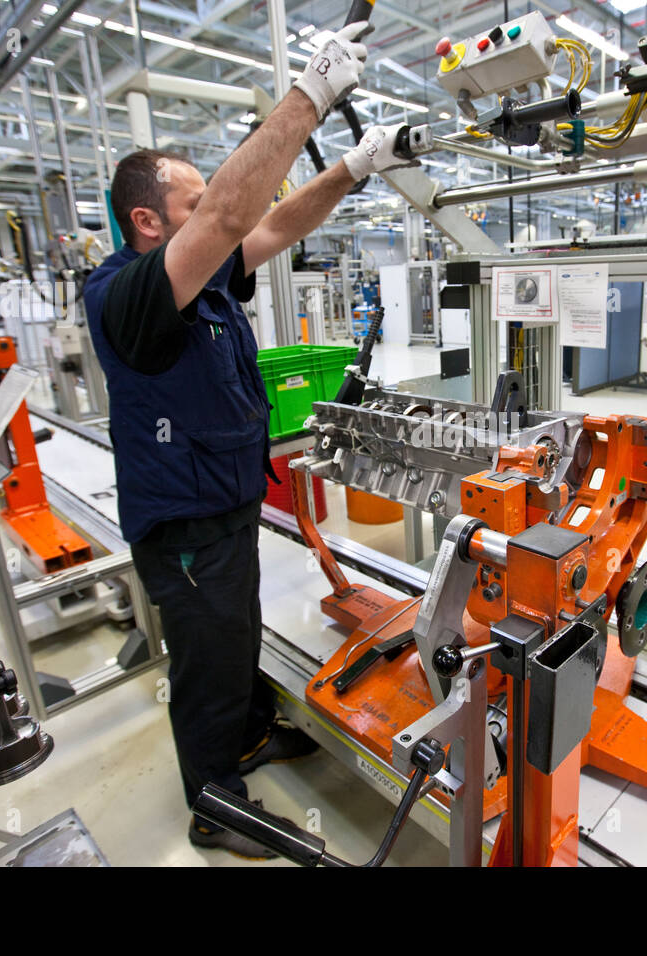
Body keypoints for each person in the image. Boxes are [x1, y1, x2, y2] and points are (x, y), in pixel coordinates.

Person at [83, 21, 410, 859]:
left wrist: (351, 167)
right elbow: (232, 210)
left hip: (227, 505)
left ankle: (253, 731)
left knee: (238, 635)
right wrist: (309, 98)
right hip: (183, 523)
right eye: (192, 209)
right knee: (205, 659)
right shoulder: (129, 295)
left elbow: (269, 226)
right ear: (149, 221)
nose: (220, 223)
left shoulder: (205, 272)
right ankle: (214, 803)